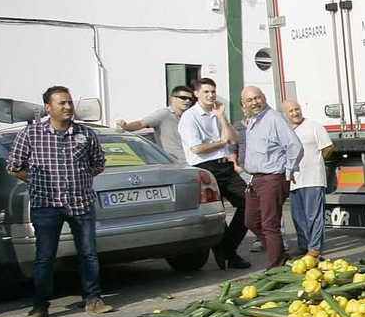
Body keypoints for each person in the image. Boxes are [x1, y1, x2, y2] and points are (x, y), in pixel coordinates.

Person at [4, 86, 111, 317]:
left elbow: (98, 164)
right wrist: (36, 180)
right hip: (46, 205)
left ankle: (93, 299)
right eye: (62, 103)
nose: (68, 107)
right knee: (45, 256)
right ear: (48, 108)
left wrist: (80, 179)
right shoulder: (31, 134)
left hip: (81, 204)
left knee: (88, 253)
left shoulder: (85, 133)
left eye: (70, 102)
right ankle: (40, 306)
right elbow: (13, 167)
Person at [179, 78, 249, 269]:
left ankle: (226, 249)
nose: (210, 95)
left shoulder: (216, 113)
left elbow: (234, 140)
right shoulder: (189, 117)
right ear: (196, 94)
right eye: (206, 92)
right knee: (217, 213)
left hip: (225, 165)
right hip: (205, 168)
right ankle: (230, 254)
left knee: (250, 204)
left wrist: (222, 117)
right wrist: (221, 143)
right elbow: (197, 149)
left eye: (213, 92)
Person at [237, 86, 302, 269]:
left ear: (264, 98)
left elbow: (295, 146)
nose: (255, 102)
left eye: (257, 98)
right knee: (252, 221)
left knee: (270, 224)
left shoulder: (274, 119)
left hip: (272, 178)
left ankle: (275, 267)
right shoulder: (253, 121)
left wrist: (289, 169)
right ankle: (280, 255)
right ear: (243, 104)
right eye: (250, 100)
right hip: (254, 179)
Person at [283, 101, 333, 258]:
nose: (295, 113)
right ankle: (303, 245)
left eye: (297, 109)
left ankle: (315, 247)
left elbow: (327, 148)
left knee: (314, 215)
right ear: (285, 114)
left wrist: (315, 164)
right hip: (294, 180)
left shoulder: (313, 126)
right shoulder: (285, 130)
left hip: (313, 179)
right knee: (298, 216)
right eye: (291, 111)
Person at [115, 84, 195, 161]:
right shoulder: (164, 114)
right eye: (183, 98)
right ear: (173, 99)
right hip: (175, 163)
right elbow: (141, 123)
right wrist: (125, 126)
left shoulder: (190, 116)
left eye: (190, 99)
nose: (187, 101)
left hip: (193, 160)